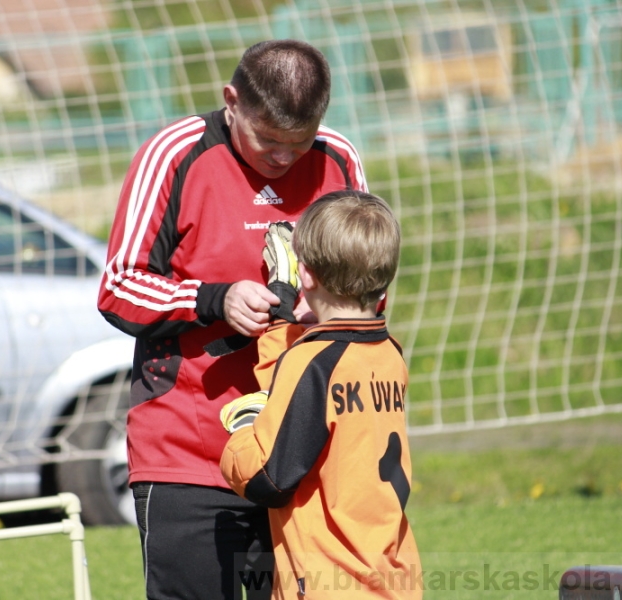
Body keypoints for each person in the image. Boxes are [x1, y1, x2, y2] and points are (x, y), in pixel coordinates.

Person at [97, 39, 367, 600]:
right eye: (268, 139)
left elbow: (370, 287)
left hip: (300, 450)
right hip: (188, 452)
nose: (283, 158)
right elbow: (118, 287)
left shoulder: (338, 158)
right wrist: (214, 300)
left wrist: (319, 307)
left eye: (299, 142)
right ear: (231, 101)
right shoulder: (173, 154)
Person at [219, 191, 422, 599]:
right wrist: (284, 321)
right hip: (392, 577)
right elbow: (304, 375)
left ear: (306, 275)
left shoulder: (312, 362)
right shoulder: (388, 354)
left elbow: (267, 480)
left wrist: (243, 431)